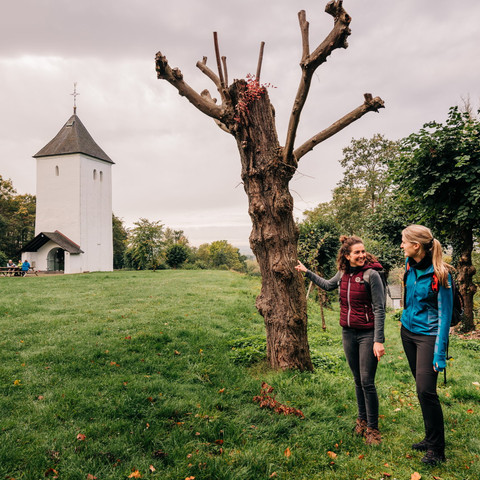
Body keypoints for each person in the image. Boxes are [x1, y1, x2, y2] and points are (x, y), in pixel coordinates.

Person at [295, 235, 386, 445]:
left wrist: (378, 340)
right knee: (357, 380)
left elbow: (379, 309)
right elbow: (328, 285)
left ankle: (373, 428)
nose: (362, 255)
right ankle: (361, 420)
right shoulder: (343, 273)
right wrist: (307, 272)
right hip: (348, 333)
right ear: (347, 255)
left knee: (367, 382)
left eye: (363, 251)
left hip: (367, 334)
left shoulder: (372, 275)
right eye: (357, 252)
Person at [400, 224, 453, 465]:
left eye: (404, 241)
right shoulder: (410, 265)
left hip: (428, 336)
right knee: (422, 390)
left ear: (416, 245)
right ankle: (429, 438)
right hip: (407, 333)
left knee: (426, 391)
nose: (401, 245)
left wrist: (440, 354)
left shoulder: (442, 273)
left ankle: (437, 450)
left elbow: (445, 317)